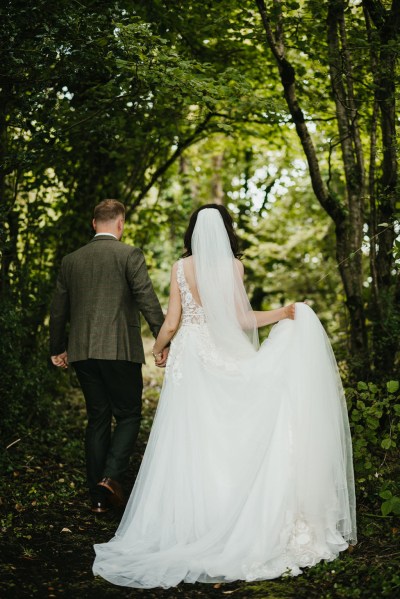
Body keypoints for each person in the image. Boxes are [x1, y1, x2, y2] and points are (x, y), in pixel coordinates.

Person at [93, 204, 357, 587]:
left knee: (190, 440)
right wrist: (283, 313)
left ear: (193, 233)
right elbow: (242, 320)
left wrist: (159, 348)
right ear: (226, 232)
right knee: (229, 437)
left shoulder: (181, 268)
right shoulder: (234, 267)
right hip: (220, 355)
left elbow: (171, 322)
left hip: (191, 357)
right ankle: (233, 514)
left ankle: (192, 523)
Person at [49, 199, 166, 514]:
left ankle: (96, 495)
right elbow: (146, 298)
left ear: (93, 223)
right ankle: (110, 478)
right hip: (120, 350)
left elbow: (58, 309)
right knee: (128, 415)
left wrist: (57, 347)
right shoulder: (129, 254)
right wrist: (163, 338)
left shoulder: (71, 260)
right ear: (121, 223)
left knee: (98, 417)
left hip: (83, 352)